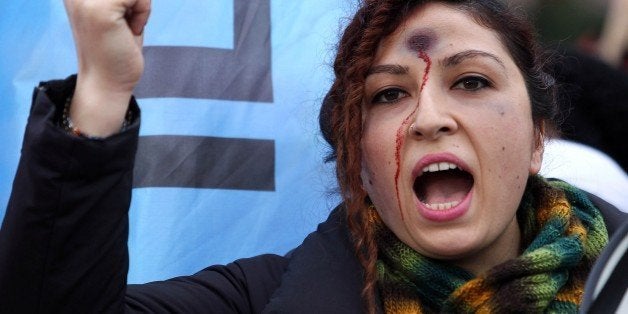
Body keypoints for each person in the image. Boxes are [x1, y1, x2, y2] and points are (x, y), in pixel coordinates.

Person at [0, 0, 624, 313]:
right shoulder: (265, 297)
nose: (430, 117)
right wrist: (104, 88)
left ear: (540, 136)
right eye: (389, 93)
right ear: (359, 160)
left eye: (471, 82)